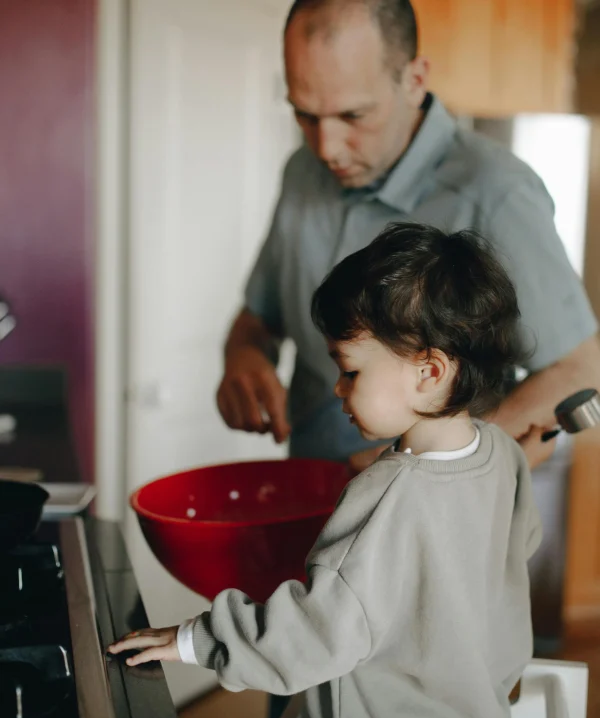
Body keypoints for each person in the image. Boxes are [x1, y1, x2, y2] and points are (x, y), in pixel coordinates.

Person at [109, 223, 542, 718]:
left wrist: (195, 640)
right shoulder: (503, 454)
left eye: (351, 371)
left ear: (429, 372)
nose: (337, 388)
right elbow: (514, 552)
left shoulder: (383, 499)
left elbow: (316, 633)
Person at [216, 0, 600, 473]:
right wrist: (243, 357)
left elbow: (580, 369)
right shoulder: (302, 172)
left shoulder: (496, 192)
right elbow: (258, 319)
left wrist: (421, 467)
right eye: (305, 116)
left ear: (414, 80)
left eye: (353, 115)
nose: (327, 148)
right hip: (314, 496)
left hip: (433, 524)